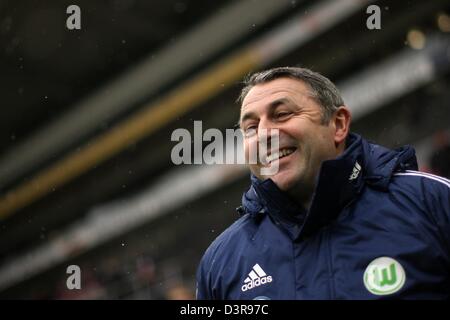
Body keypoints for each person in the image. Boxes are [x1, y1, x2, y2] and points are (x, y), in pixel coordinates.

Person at [196, 67, 450, 300]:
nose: (263, 134)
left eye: (282, 114)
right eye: (250, 128)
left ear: (338, 125)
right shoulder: (221, 262)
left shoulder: (431, 202)